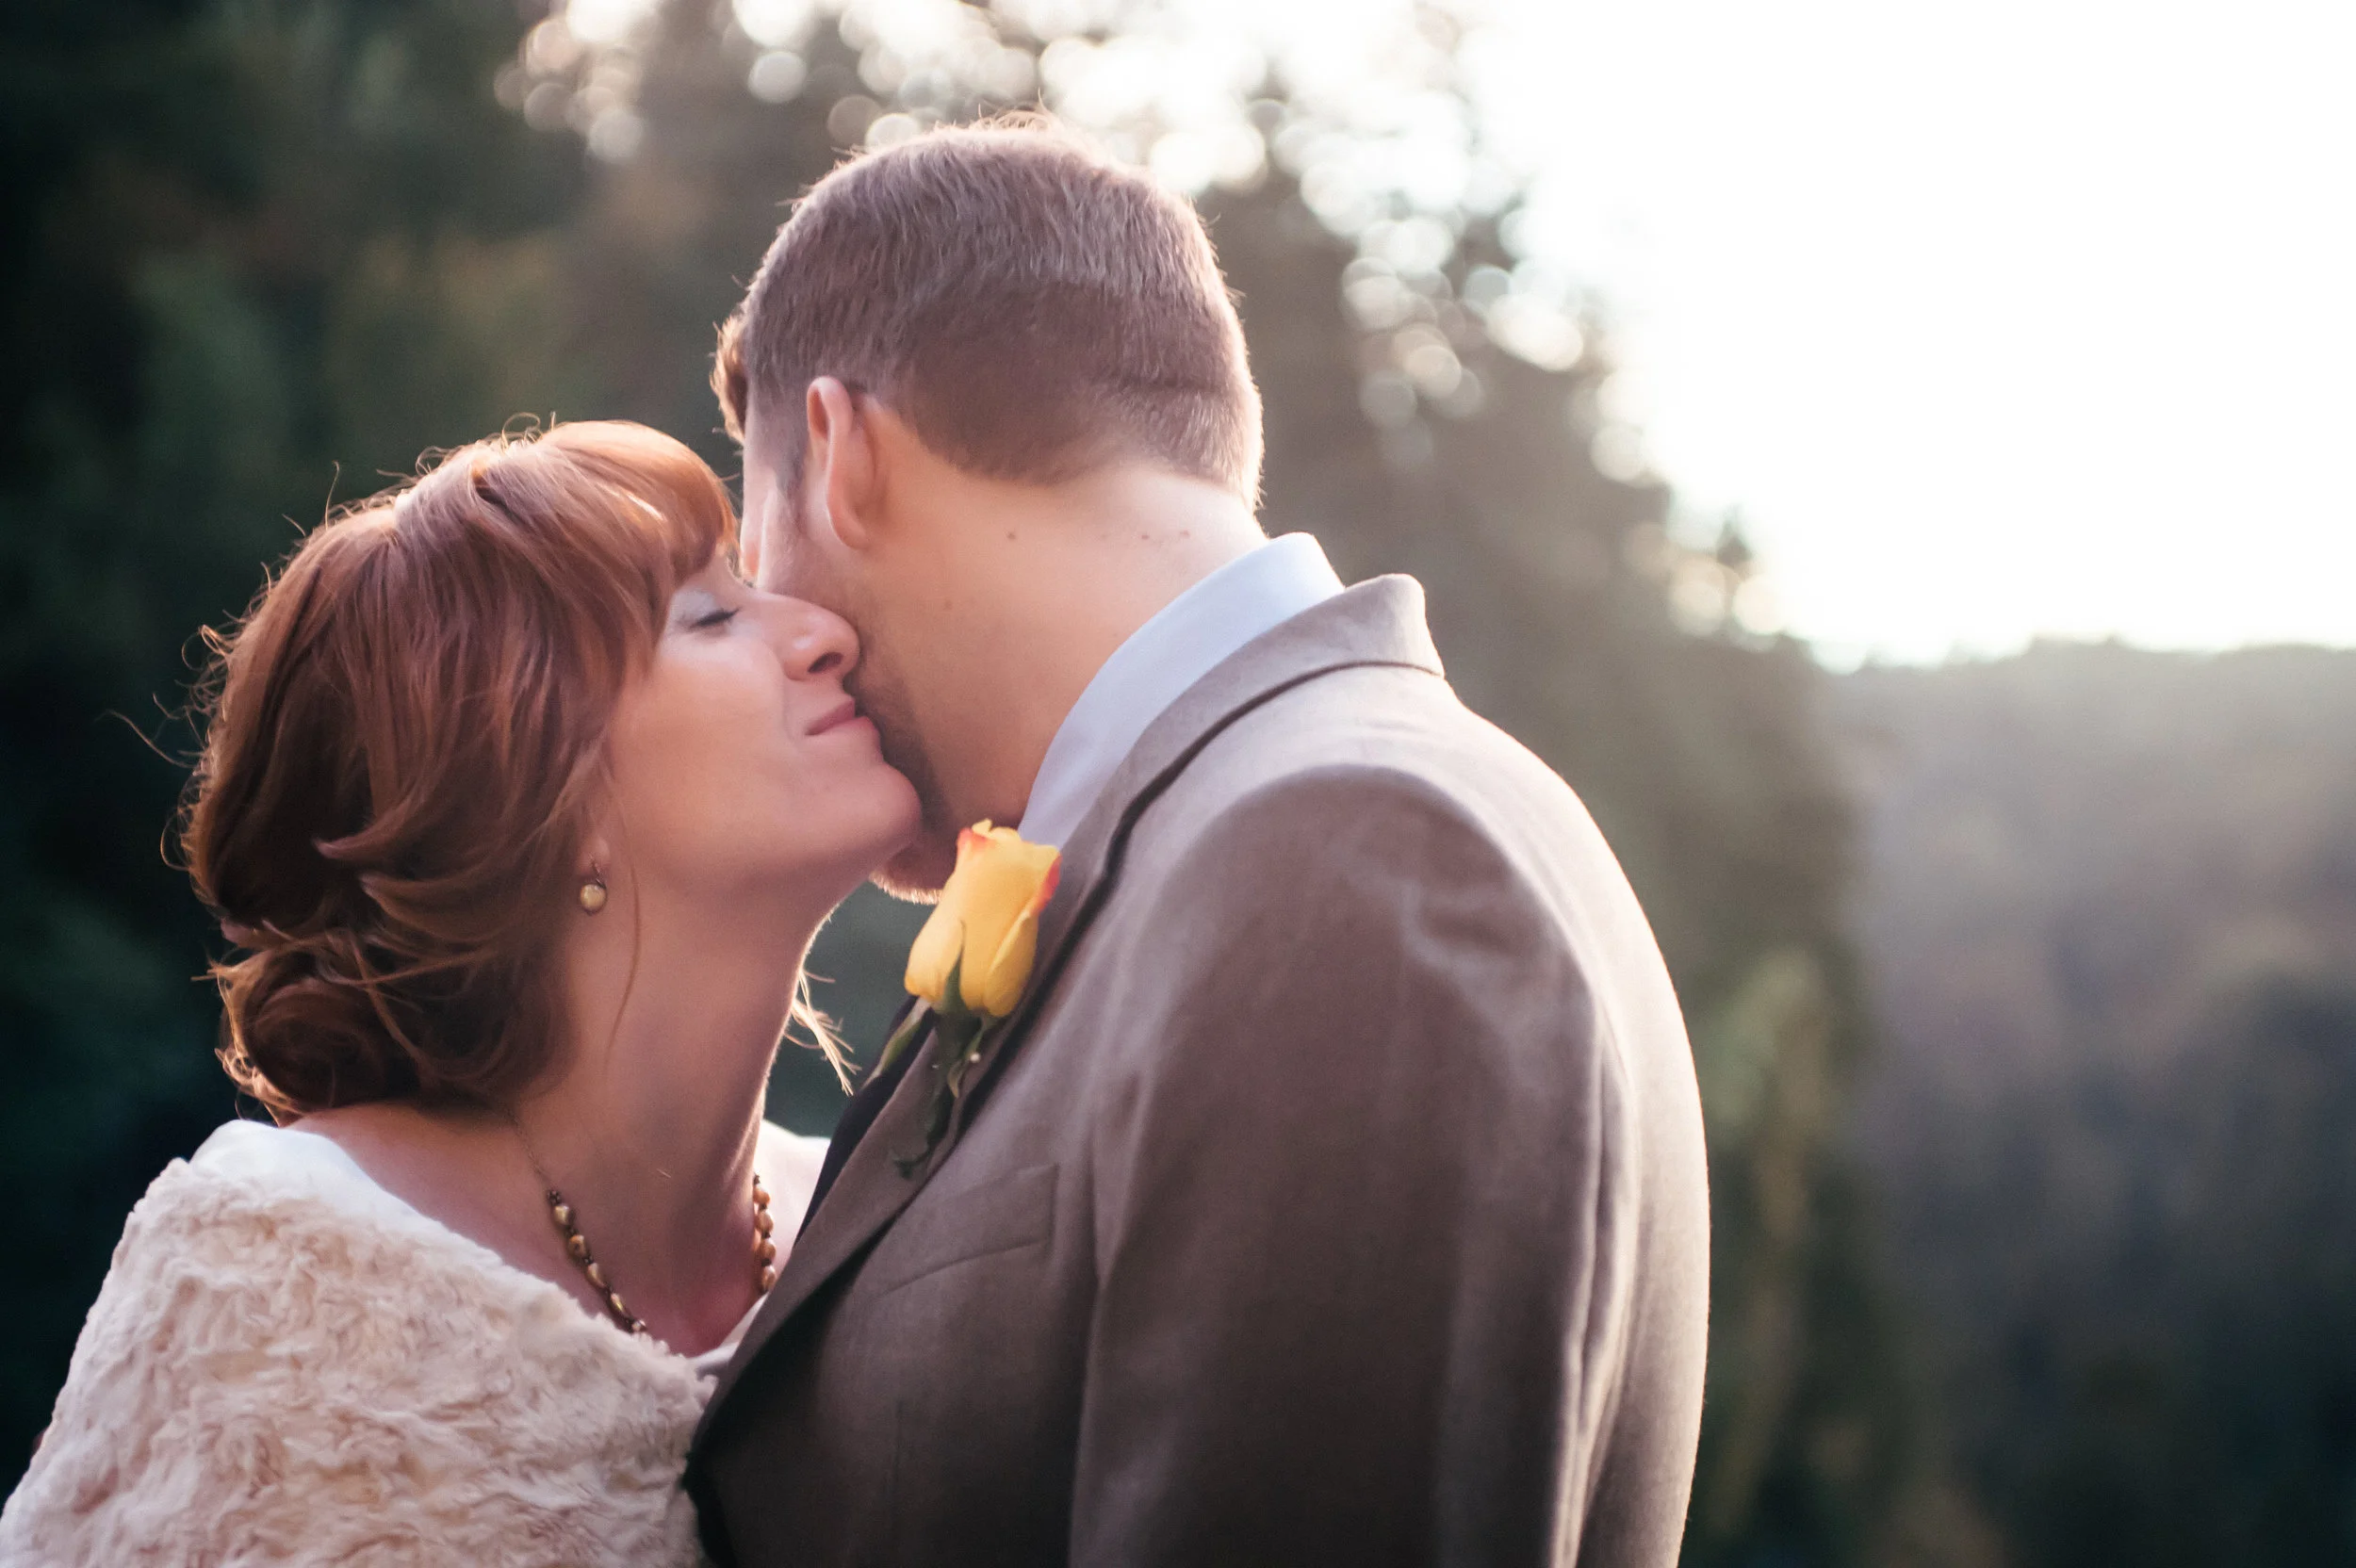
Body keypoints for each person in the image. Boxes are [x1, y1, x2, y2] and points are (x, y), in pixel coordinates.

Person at [687, 120, 1712, 1566]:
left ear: (843, 453)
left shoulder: (1350, 862)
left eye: (758, 541)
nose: (784, 630)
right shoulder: (1265, 832)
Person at [0, 421, 919, 1565]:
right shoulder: (282, 1276)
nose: (826, 631)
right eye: (715, 613)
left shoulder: (872, 1207)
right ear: (541, 781)